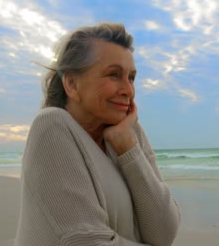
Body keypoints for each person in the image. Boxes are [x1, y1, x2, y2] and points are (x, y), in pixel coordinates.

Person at [15, 22, 180, 246]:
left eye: (131, 78)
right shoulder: (52, 126)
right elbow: (87, 241)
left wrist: (128, 148)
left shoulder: (130, 133)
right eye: (114, 75)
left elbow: (164, 233)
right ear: (72, 84)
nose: (128, 90)